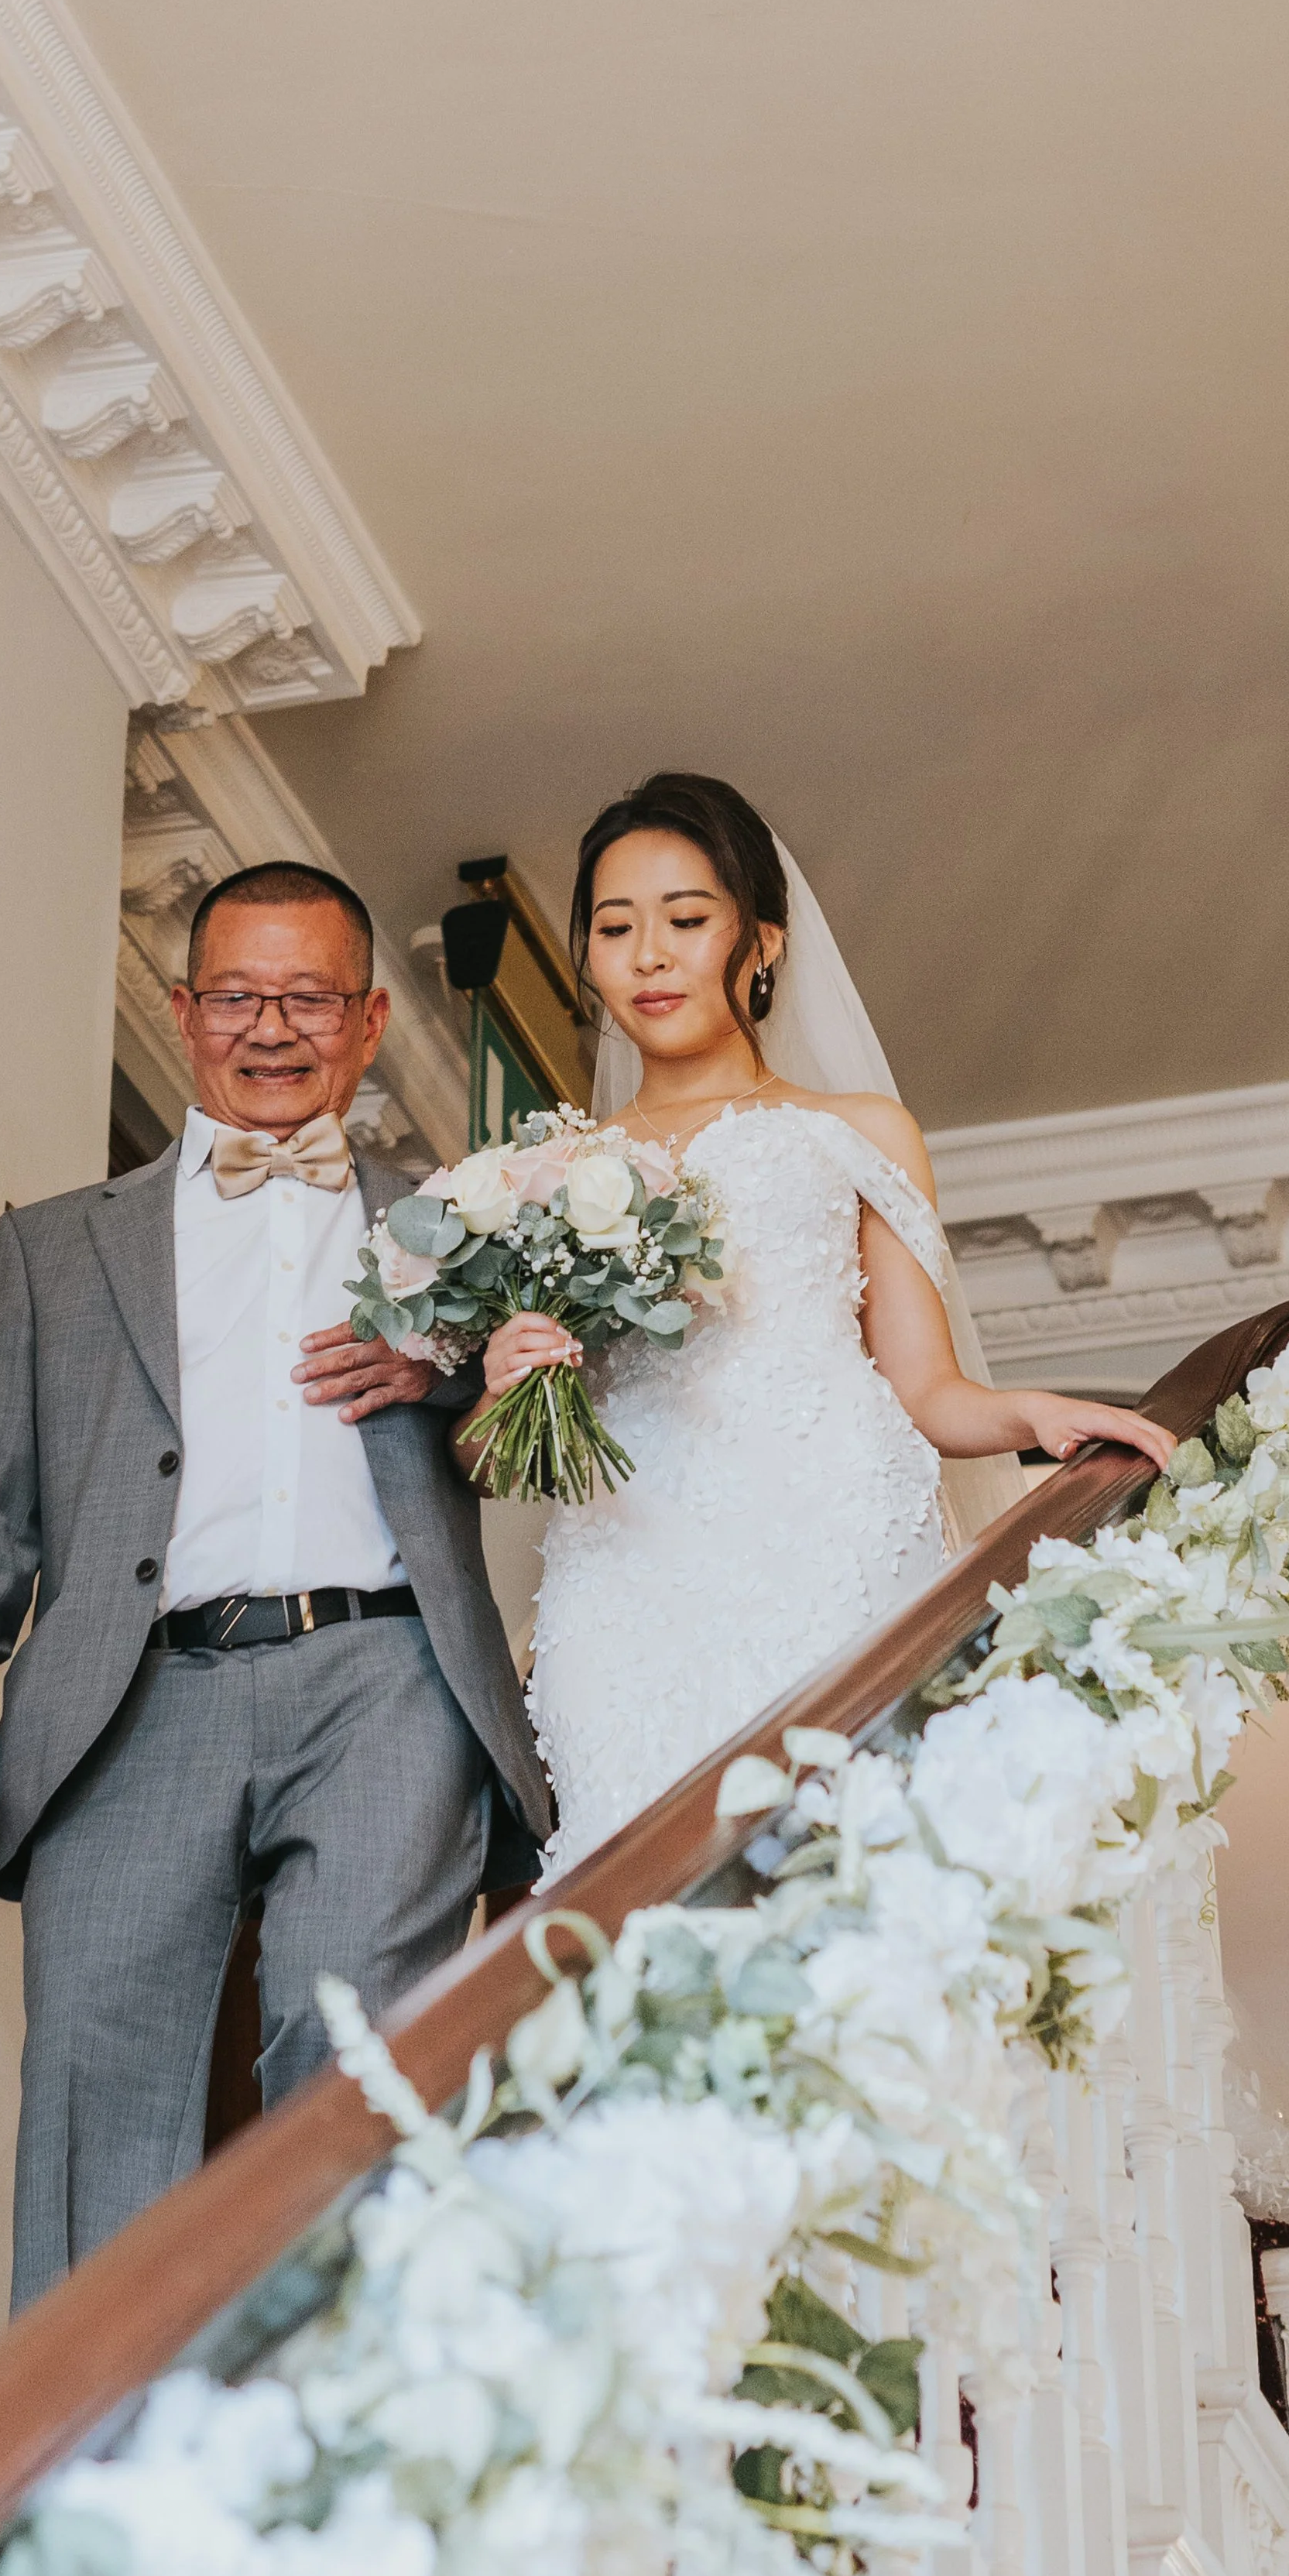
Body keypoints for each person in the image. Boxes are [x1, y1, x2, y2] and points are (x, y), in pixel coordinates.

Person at [0, 861, 548, 2306]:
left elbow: (542, 1446)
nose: (271, 1027)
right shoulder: (53, 1249)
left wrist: (448, 1372)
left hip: (386, 1678)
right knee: (93, 2074)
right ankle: (93, 2482)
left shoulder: (464, 1222)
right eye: (238, 994)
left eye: (309, 996)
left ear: (369, 1023)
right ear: (183, 1012)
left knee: (358, 2041)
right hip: (134, 1693)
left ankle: (348, 2428)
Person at [469, 773, 1176, 1879]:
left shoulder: (856, 1131)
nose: (649, 955)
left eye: (687, 920)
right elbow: (489, 1452)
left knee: (854, 1866)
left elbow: (927, 1386)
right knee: (640, 1883)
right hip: (624, 1579)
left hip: (830, 1540)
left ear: (762, 940)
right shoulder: (543, 1175)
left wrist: (1034, 1413)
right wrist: (511, 1377)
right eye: (615, 927)